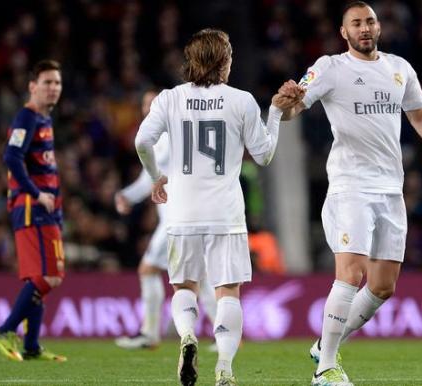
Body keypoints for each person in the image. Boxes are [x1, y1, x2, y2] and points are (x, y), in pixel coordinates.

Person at [276, 2, 422, 385]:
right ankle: (326, 368)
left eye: (370, 21)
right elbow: (298, 106)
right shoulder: (330, 67)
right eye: (356, 24)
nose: (365, 28)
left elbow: (418, 116)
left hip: (389, 189)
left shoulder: (399, 69)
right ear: (343, 32)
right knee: (350, 273)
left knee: (381, 286)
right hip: (351, 186)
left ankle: (324, 344)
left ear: (379, 27)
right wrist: (288, 103)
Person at [135, 28, 293, 386]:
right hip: (226, 213)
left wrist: (156, 177)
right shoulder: (241, 100)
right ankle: (224, 366)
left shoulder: (169, 98)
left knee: (184, 288)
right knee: (227, 292)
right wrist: (276, 114)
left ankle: (187, 335)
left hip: (182, 211)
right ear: (224, 61)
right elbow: (265, 155)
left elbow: (142, 141)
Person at [114, 89, 218, 350]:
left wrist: (127, 196)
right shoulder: (162, 137)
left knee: (148, 270)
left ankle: (150, 334)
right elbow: (148, 179)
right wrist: (127, 195)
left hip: (176, 218)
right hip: (183, 215)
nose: (149, 108)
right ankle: (224, 332)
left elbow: (153, 178)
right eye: (145, 104)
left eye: (154, 103)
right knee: (200, 275)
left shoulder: (169, 136)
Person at [0, 59, 67, 362]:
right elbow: (11, 157)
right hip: (31, 206)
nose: (53, 88)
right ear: (32, 86)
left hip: (44, 207)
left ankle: (31, 346)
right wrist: (37, 194)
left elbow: (43, 165)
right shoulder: (27, 116)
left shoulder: (44, 120)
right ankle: (6, 329)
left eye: (57, 83)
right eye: (47, 82)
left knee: (37, 276)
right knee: (51, 276)